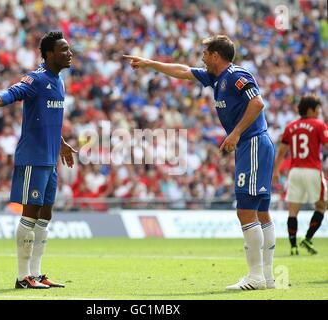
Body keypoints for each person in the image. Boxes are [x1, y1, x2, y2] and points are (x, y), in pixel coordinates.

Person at [123, 35, 276, 290]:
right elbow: (182, 71)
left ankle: (256, 276)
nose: (202, 57)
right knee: (261, 211)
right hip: (252, 145)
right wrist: (150, 63)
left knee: (245, 210)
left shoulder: (237, 75)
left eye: (205, 53)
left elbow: (258, 103)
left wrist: (236, 133)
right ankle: (267, 277)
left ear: (216, 55)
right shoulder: (215, 78)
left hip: (252, 143)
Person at [0, 31, 77, 289]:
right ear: (49, 54)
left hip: (50, 159)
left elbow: (50, 120)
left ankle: (36, 274)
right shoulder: (36, 79)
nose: (69, 54)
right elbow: (11, 93)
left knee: (45, 215)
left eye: (69, 49)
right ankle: (22, 276)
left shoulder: (59, 82)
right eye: (64, 50)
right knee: (30, 213)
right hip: (33, 158)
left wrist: (61, 144)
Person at [273, 95, 328, 255]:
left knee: (293, 210)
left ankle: (293, 246)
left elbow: (282, 151)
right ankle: (308, 238)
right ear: (310, 110)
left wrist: (276, 170)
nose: (318, 113)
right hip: (312, 170)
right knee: (321, 205)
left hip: (294, 171)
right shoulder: (318, 124)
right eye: (317, 109)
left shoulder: (291, 126)